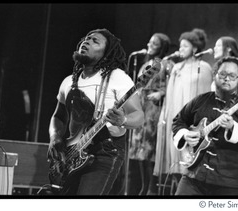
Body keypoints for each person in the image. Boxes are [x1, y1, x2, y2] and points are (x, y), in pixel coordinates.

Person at [47, 28, 144, 195]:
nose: (86, 42)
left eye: (95, 41)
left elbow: (139, 116)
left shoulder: (117, 77)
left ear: (106, 53)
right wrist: (55, 137)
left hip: (105, 152)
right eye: (86, 39)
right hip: (71, 154)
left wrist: (123, 121)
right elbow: (59, 116)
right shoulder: (68, 81)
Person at [172, 56, 238, 195]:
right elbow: (178, 121)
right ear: (214, 75)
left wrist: (233, 127)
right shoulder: (201, 100)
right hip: (193, 174)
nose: (227, 79)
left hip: (226, 181)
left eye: (232, 76)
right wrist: (185, 134)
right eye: (223, 74)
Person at [154, 28, 213, 194]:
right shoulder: (176, 67)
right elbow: (170, 97)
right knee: (175, 164)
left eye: (185, 46)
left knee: (190, 164)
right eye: (180, 46)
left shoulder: (204, 67)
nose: (180, 49)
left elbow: (206, 97)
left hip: (193, 123)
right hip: (176, 121)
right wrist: (165, 118)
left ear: (194, 48)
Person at [128, 33, 173, 195]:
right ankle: (143, 186)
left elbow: (172, 86)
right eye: (150, 42)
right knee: (139, 150)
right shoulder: (145, 64)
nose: (149, 44)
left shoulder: (168, 64)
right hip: (141, 108)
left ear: (161, 47)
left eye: (154, 43)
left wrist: (161, 93)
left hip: (155, 110)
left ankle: (151, 188)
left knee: (150, 148)